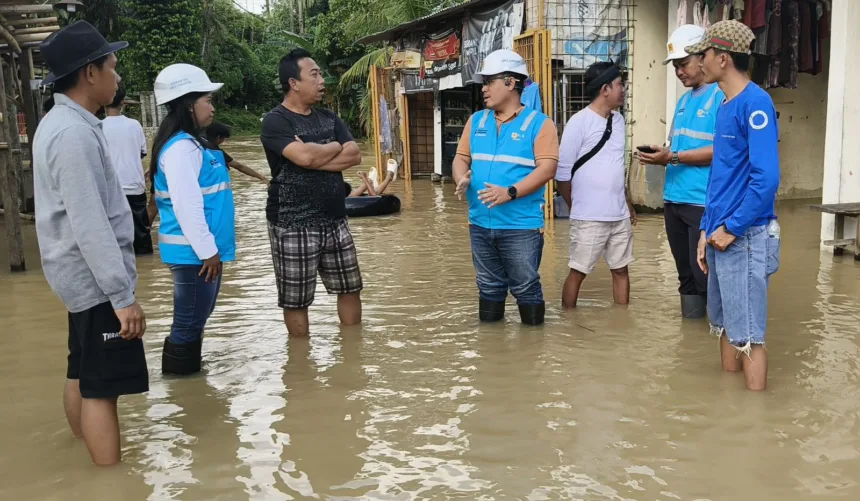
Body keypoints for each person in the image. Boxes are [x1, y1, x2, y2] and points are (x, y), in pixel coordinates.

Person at [32, 20, 147, 466]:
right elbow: (90, 224)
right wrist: (122, 297)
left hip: (76, 275)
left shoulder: (59, 122)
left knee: (80, 369)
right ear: (90, 74)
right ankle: (108, 478)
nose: (118, 77)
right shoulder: (74, 134)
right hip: (95, 279)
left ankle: (86, 457)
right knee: (103, 388)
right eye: (113, 67)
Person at [685, 20, 781, 391]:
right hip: (721, 234)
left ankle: (753, 426)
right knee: (725, 326)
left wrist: (732, 228)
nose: (698, 63)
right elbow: (721, 177)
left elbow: (766, 179)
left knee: (750, 336)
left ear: (722, 58)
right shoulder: (725, 105)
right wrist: (708, 228)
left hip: (746, 235)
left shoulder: (756, 103)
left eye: (702, 55)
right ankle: (728, 411)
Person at [260, 49, 363, 337]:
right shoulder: (276, 121)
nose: (322, 80)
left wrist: (314, 154)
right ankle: (301, 362)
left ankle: (353, 352)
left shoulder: (329, 117)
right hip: (292, 222)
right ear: (294, 83)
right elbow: (304, 158)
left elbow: (354, 155)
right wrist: (332, 147)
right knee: (297, 300)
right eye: (314, 74)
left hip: (336, 219)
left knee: (350, 287)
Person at [453, 49, 559, 325]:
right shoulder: (476, 121)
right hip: (479, 223)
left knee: (525, 287)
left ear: (511, 83)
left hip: (520, 227)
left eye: (489, 82)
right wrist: (461, 177)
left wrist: (509, 192)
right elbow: (461, 158)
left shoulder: (540, 124)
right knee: (488, 286)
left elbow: (547, 169)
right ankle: (491, 355)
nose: (484, 89)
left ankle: (532, 355)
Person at [150, 63, 235, 375]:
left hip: (200, 252)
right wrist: (207, 251)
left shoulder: (191, 144)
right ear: (189, 104)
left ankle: (190, 385)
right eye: (207, 100)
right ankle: (182, 388)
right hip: (194, 254)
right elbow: (187, 206)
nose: (212, 107)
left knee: (195, 319)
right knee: (187, 323)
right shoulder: (181, 149)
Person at [637, 25, 725, 319]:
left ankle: (716, 334)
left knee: (704, 275)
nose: (679, 72)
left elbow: (721, 151)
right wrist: (662, 152)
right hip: (674, 199)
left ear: (704, 57)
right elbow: (676, 145)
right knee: (685, 276)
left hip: (702, 201)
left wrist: (672, 157)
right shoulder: (685, 101)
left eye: (683, 64)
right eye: (675, 66)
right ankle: (693, 343)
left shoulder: (720, 97)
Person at [556, 61, 637, 309]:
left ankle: (622, 324)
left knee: (621, 270)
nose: (623, 89)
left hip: (619, 216)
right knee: (578, 272)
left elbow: (616, 167)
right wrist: (577, 208)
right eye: (619, 84)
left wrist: (628, 204)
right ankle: (569, 323)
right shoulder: (578, 123)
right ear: (605, 89)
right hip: (588, 217)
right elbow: (562, 176)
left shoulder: (619, 121)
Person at [102, 85, 152, 255]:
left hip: (110, 189)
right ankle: (147, 269)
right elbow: (141, 153)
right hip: (134, 184)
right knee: (141, 233)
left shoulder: (97, 127)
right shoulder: (134, 125)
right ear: (123, 102)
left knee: (113, 235)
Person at [203, 121, 269, 184]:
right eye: (224, 138)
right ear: (218, 137)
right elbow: (239, 166)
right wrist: (261, 177)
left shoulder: (197, 143)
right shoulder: (216, 151)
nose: (223, 141)